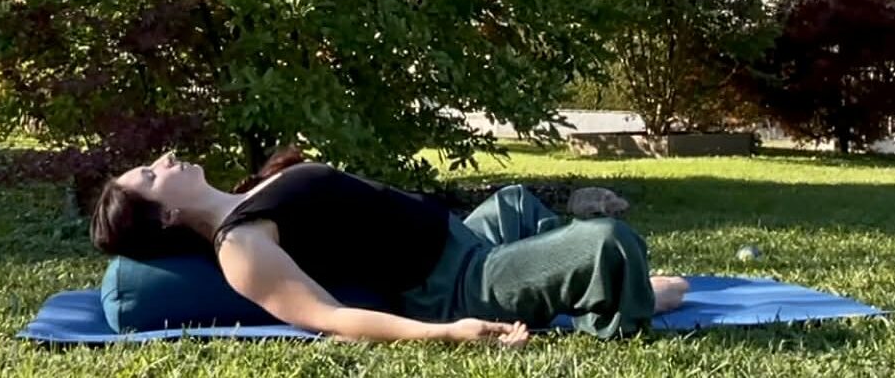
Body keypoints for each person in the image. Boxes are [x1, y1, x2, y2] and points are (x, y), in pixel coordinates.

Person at [90, 148, 688, 348]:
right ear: (166, 215)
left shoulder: (252, 192)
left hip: (465, 237)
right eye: (150, 175)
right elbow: (329, 317)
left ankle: (581, 283)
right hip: (457, 283)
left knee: (513, 201)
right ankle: (619, 299)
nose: (164, 160)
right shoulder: (240, 247)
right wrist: (447, 333)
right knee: (608, 241)